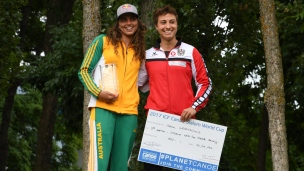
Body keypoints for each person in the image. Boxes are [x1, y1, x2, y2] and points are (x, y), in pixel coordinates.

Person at [138, 5, 212, 171]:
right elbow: (136, 84)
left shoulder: (190, 51)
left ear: (177, 25)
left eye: (172, 22)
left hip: (184, 122)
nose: (168, 26)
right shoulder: (147, 56)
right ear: (156, 27)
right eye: (163, 22)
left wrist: (194, 107)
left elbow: (205, 83)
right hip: (156, 123)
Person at [78, 3, 146, 171]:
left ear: (138, 22)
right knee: (98, 165)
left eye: (132, 19)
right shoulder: (102, 41)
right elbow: (84, 71)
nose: (128, 23)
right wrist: (98, 93)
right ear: (117, 23)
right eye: (123, 20)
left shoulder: (141, 50)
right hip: (103, 108)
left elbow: (144, 81)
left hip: (129, 112)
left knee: (121, 166)